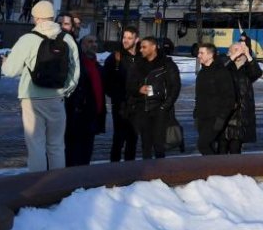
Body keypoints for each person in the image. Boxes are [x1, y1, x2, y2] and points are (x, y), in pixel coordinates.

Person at [1, 0, 81, 172]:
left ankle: (38, 185)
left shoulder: (27, 39)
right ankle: (57, 184)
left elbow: (9, 71)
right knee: (57, 145)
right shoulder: (67, 39)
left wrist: (6, 62)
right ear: (52, 17)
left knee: (36, 144)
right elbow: (75, 72)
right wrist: (63, 91)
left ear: (36, 18)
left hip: (31, 98)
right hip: (56, 98)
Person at [130, 35, 180, 159]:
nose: (141, 50)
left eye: (144, 47)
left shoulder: (167, 64)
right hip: (143, 109)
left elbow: (175, 87)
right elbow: (130, 85)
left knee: (159, 144)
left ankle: (159, 173)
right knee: (145, 145)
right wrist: (138, 89)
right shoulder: (138, 65)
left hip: (160, 110)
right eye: (140, 47)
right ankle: (148, 173)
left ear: (153, 47)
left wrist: (165, 107)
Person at [64, 35, 106, 166]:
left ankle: (82, 179)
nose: (94, 44)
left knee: (87, 151)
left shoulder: (97, 66)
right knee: (74, 151)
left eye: (95, 41)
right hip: (79, 115)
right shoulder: (76, 65)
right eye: (90, 42)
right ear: (82, 45)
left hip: (93, 115)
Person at [102, 26, 142, 162]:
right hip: (120, 105)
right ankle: (114, 171)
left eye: (129, 38)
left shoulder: (142, 57)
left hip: (137, 105)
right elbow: (105, 80)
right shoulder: (115, 57)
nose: (125, 40)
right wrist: (116, 96)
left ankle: (129, 171)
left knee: (133, 138)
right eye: (124, 37)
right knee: (118, 139)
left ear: (137, 39)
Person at [194, 43, 238, 155]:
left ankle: (216, 169)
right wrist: (196, 114)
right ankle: (213, 169)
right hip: (201, 117)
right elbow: (199, 96)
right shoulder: (202, 73)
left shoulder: (221, 72)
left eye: (201, 53)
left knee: (202, 145)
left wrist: (221, 118)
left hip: (215, 118)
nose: (198, 55)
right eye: (199, 53)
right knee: (208, 146)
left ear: (210, 55)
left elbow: (229, 98)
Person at [225, 40, 263, 153]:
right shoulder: (225, 66)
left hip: (240, 116)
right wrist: (235, 55)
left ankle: (235, 170)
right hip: (225, 114)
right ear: (229, 53)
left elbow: (257, 73)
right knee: (221, 149)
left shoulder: (247, 69)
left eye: (241, 50)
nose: (239, 53)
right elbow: (219, 70)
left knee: (235, 149)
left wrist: (248, 54)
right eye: (236, 50)